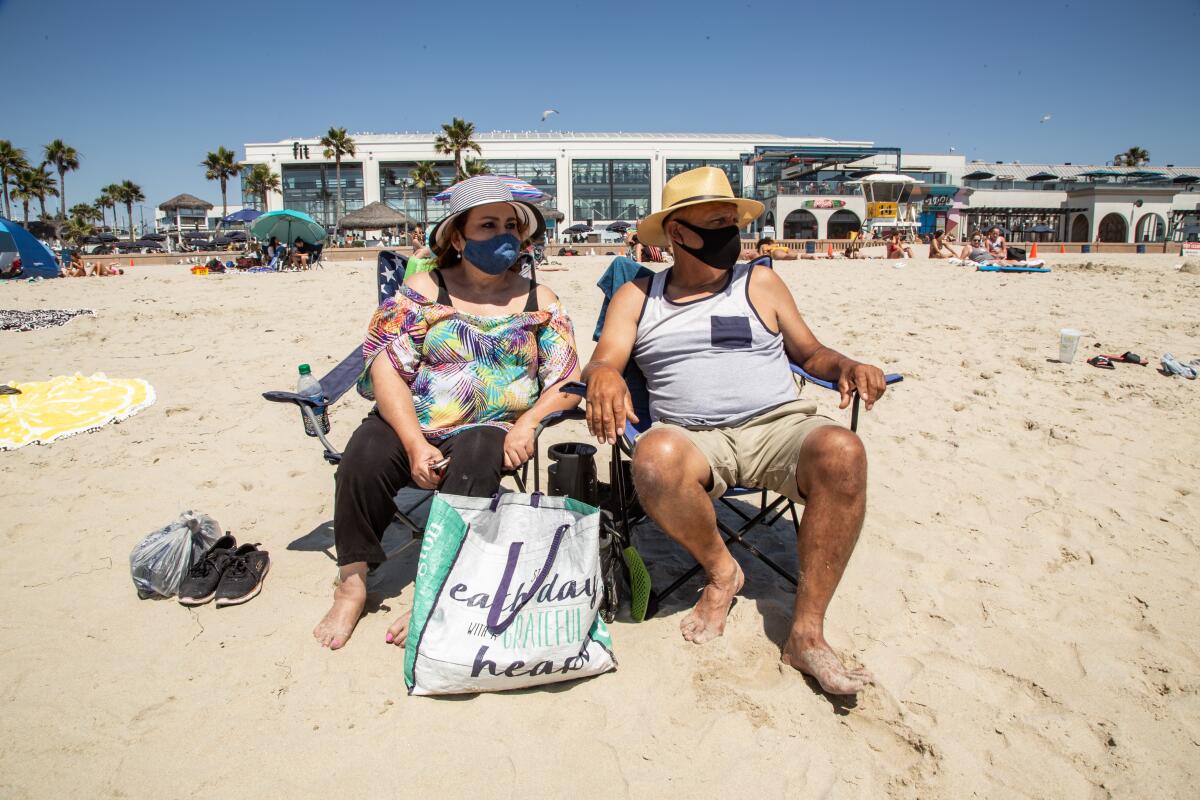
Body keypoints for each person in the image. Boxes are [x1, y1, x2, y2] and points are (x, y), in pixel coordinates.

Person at [583, 167, 887, 695]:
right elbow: (604, 358)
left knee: (843, 449)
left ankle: (807, 635)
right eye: (716, 223)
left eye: (733, 222)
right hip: (694, 439)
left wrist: (847, 366)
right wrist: (605, 373)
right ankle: (724, 571)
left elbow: (810, 353)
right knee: (654, 457)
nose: (732, 234)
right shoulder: (639, 292)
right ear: (677, 232)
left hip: (777, 426)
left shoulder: (759, 281)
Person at [313, 175, 583, 651]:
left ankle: (440, 581)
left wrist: (529, 421)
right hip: (413, 419)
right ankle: (352, 581)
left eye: (511, 226)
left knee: (480, 449)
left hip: (492, 425)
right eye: (487, 225)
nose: (504, 236)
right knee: (365, 453)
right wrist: (415, 442)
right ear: (458, 236)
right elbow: (387, 370)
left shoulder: (542, 301)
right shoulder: (422, 290)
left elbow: (565, 381)